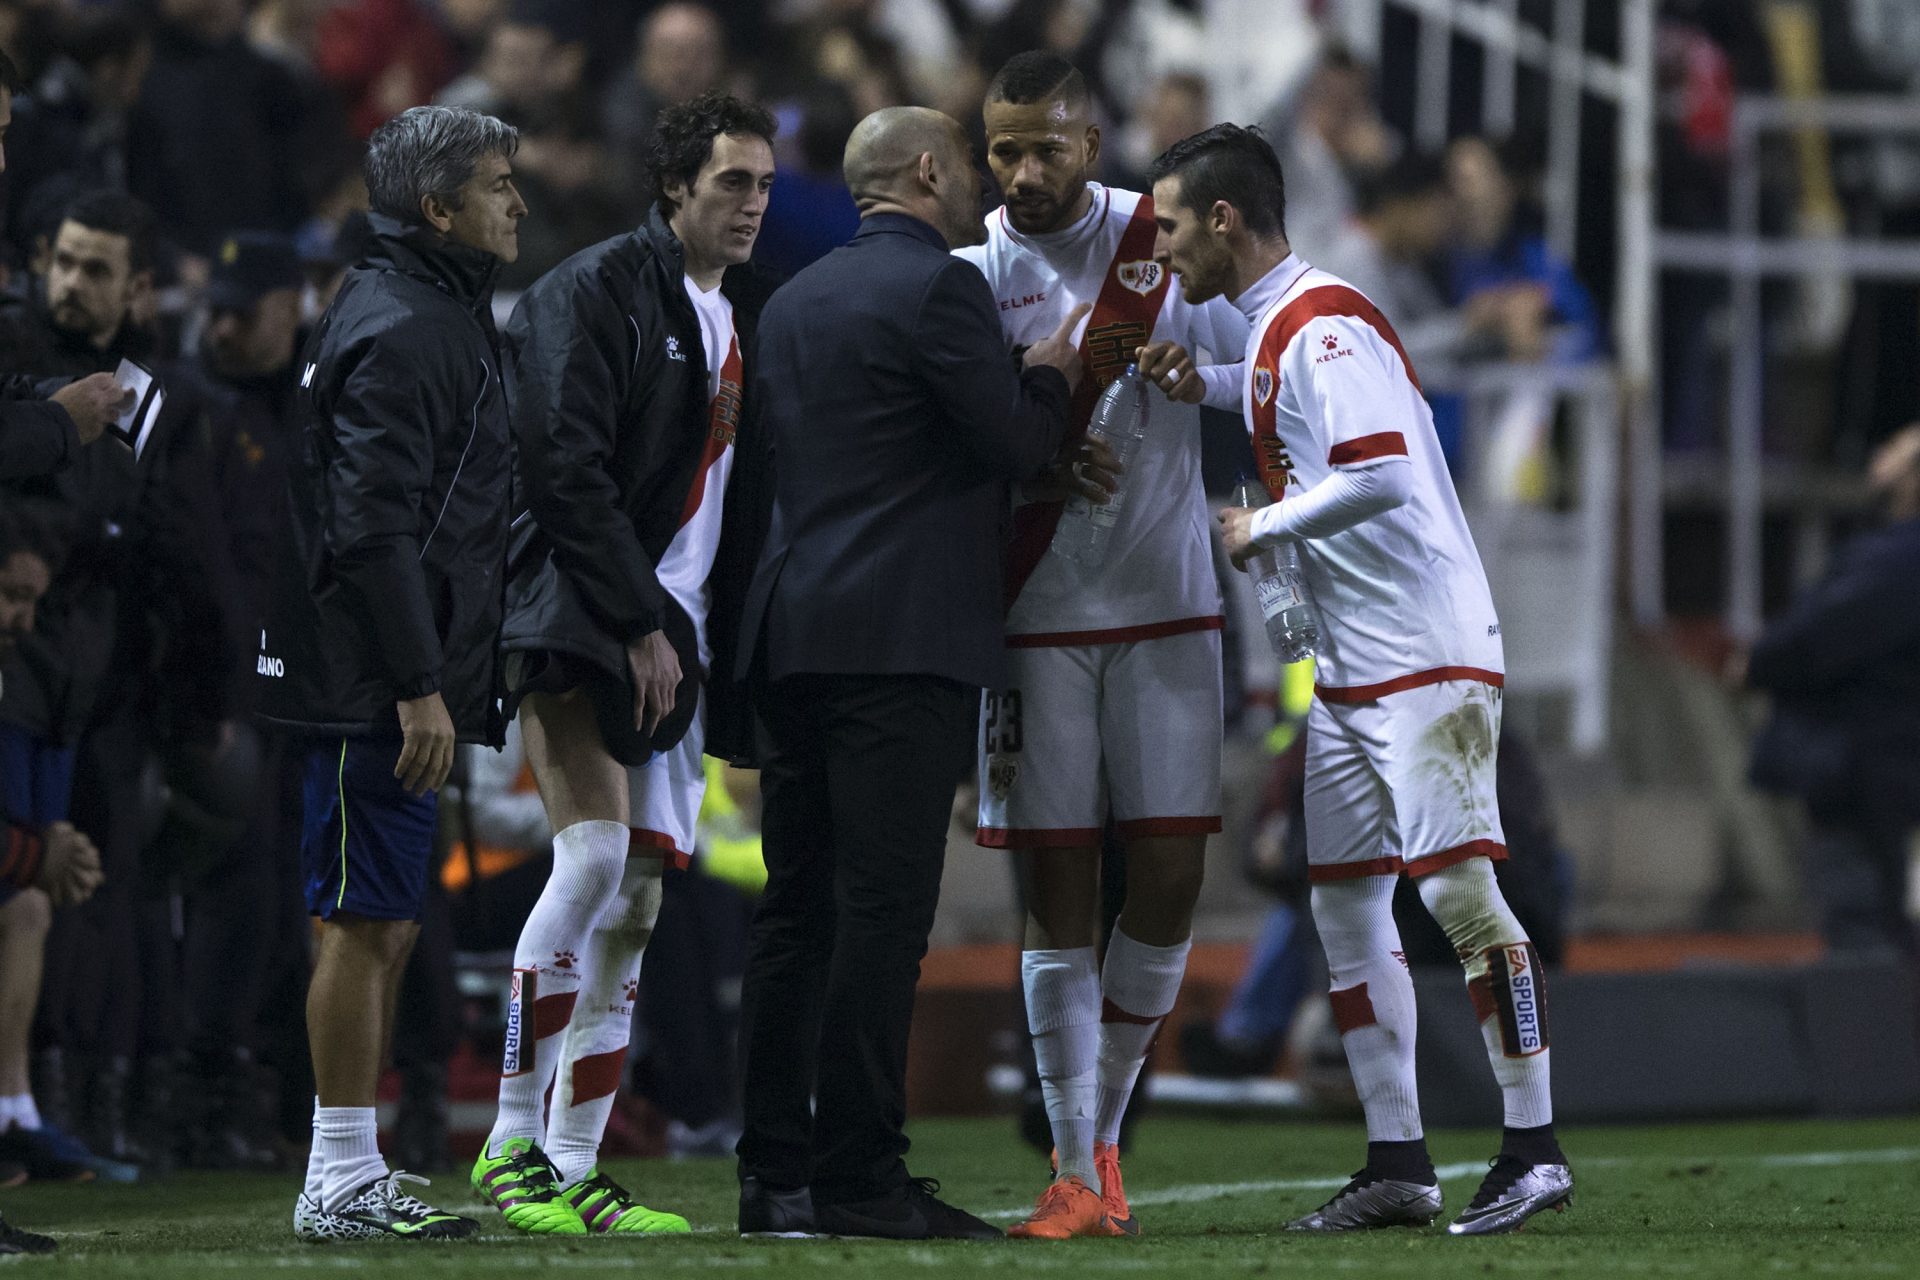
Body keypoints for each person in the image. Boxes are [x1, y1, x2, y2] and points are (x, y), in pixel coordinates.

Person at [1148, 123, 1574, 1235]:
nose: (1165, 242)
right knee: (1341, 901)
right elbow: (1291, 405)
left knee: (1459, 894)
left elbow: (1377, 470)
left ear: (1225, 221)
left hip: (1423, 653)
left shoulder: (1323, 322)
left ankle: (1533, 1146)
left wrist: (1262, 522)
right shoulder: (1290, 329)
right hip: (1354, 668)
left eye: (1175, 222)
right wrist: (1207, 381)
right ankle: (1399, 1158)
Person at [732, 104, 1084, 1242]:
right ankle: (861, 1177)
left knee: (795, 915)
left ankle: (773, 1174)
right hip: (900, 642)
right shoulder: (942, 290)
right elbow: (1017, 445)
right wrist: (1050, 373)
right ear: (930, 171)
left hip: (791, 634)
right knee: (881, 914)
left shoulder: (786, 299)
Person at [471, 89, 780, 1238]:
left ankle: (573, 1162)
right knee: (594, 860)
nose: (750, 204)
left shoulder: (726, 315)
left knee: (640, 891)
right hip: (583, 613)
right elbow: (564, 463)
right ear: (673, 189)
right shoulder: (595, 289)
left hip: (673, 633)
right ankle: (508, 1141)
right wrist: (640, 616)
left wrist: (696, 637)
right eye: (728, 183)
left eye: (760, 182)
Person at [955, 51, 1249, 1242]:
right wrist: (1034, 452)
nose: (1024, 170)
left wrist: (1199, 375)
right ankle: (1076, 1160)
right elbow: (956, 438)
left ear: (1095, 137)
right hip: (1035, 617)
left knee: (1172, 877)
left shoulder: (1162, 240)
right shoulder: (972, 273)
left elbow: (1263, 372)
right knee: (1059, 885)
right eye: (1004, 149)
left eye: (1047, 147)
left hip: (1171, 600)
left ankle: (1107, 1129)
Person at [256, 103, 525, 1242]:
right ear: (439, 206)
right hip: (376, 681)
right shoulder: (412, 323)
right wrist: (419, 680)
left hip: (386, 672)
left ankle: (349, 1167)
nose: (519, 201)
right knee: (363, 922)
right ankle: (339, 1176)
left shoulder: (413, 308)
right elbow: (371, 525)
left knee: (384, 920)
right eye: (500, 183)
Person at [1746, 424, 1920, 955]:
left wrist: (1754, 662)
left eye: (1895, 450)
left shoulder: (1898, 560)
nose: (1878, 457)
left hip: (1875, 784)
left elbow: (1814, 637)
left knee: (1866, 941)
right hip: (1886, 780)